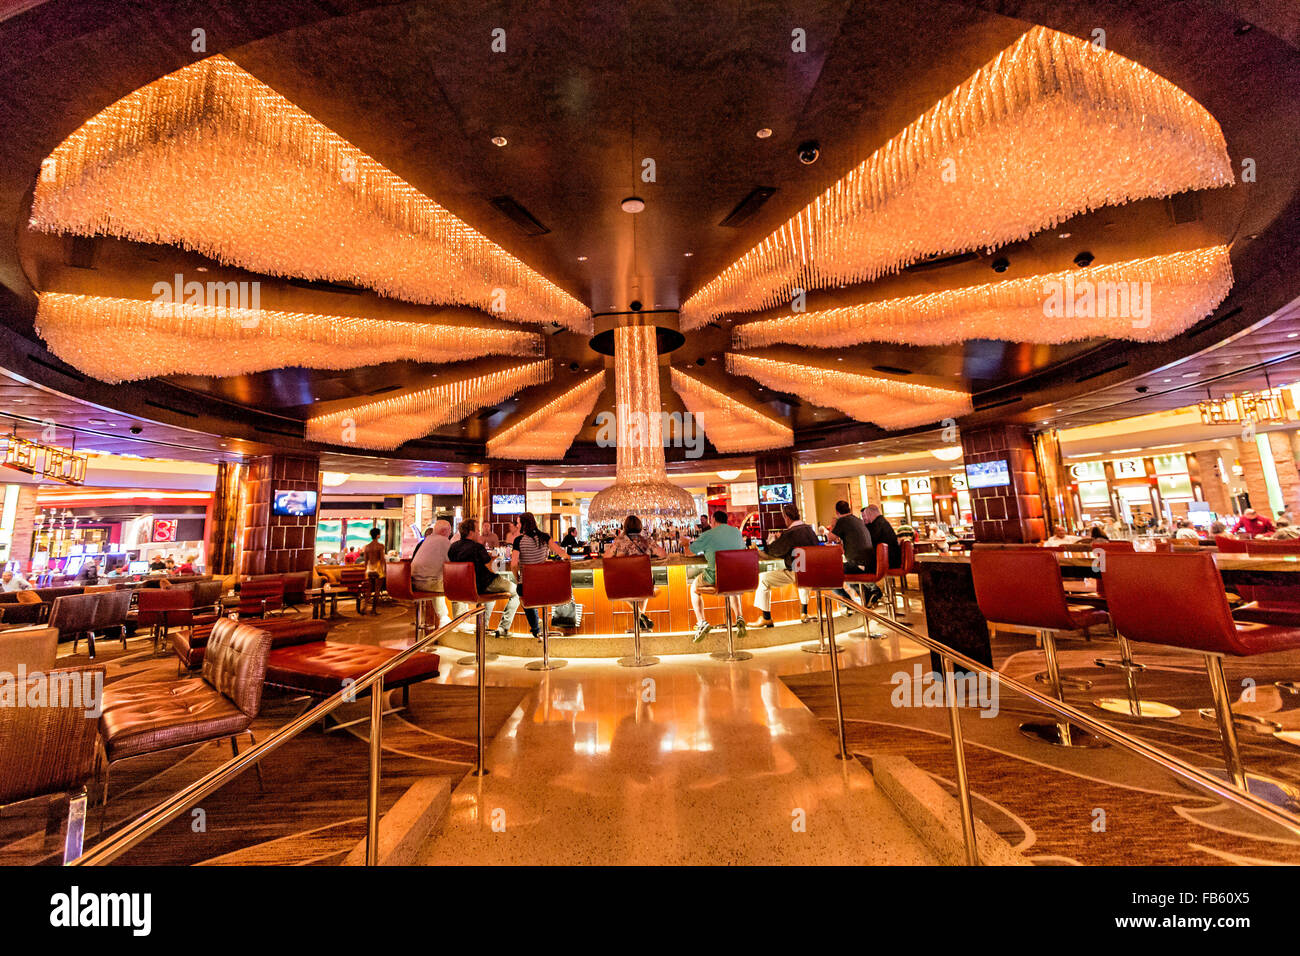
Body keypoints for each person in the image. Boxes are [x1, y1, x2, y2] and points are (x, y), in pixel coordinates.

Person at [447, 518, 521, 639]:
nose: (479, 533)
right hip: (485, 584)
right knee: (517, 591)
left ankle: (483, 627)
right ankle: (503, 628)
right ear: (471, 532)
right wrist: (494, 559)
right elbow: (491, 568)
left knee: (489, 596)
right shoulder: (477, 547)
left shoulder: (453, 548)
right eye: (477, 530)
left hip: (465, 588)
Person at [749, 503, 818, 628]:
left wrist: (770, 544)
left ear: (786, 517)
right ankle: (804, 612)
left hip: (796, 574)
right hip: (812, 573)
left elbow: (774, 551)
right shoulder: (810, 530)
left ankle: (766, 618)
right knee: (802, 571)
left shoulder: (790, 533)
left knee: (763, 579)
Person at [683, 510, 745, 643]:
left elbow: (689, 553)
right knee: (731, 586)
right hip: (737, 577)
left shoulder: (708, 534)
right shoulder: (736, 532)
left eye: (711, 521)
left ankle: (702, 622)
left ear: (714, 521)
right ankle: (739, 617)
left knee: (694, 588)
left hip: (716, 578)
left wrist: (685, 543)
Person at [510, 512, 569, 639]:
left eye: (519, 523)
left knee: (521, 591)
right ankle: (539, 628)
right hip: (547, 586)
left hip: (528, 588)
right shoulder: (545, 537)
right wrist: (568, 558)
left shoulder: (518, 541)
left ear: (523, 524)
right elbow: (562, 553)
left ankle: (536, 629)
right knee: (531, 592)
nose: (517, 525)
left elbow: (514, 565)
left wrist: (518, 579)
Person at [603, 515, 666, 632]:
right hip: (644, 583)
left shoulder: (619, 541)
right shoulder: (646, 540)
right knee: (646, 589)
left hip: (623, 585)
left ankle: (641, 618)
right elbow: (663, 554)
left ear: (625, 527)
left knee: (622, 590)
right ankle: (642, 619)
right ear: (640, 526)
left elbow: (606, 557)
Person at [824, 499, 881, 610]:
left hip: (858, 564)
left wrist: (833, 526)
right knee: (849, 579)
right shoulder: (858, 520)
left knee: (829, 574)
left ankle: (848, 604)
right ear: (849, 509)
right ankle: (868, 596)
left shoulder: (843, 521)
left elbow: (830, 538)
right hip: (869, 563)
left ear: (837, 512)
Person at [410, 519, 453, 626]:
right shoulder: (443, 541)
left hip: (414, 583)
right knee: (460, 586)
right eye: (449, 531)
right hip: (427, 584)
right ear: (444, 531)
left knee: (437, 579)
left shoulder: (427, 540)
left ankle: (443, 617)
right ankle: (460, 619)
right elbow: (454, 562)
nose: (450, 534)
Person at [862, 505, 902, 569]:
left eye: (866, 516)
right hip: (893, 559)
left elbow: (870, 541)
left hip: (888, 561)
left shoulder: (877, 524)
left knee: (857, 566)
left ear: (869, 514)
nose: (865, 518)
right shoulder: (882, 521)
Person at [361, 527, 386, 615]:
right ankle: (373, 610)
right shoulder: (380, 546)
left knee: (369, 589)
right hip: (378, 569)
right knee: (377, 590)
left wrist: (365, 571)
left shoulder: (367, 547)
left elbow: (365, 560)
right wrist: (384, 570)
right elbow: (382, 559)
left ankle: (364, 607)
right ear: (378, 535)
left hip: (369, 569)